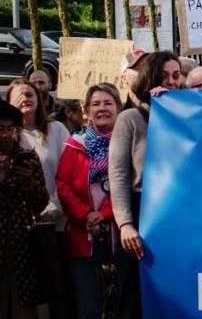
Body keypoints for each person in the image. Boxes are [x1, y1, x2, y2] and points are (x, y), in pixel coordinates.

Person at [109, 50, 181, 319]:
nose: (172, 82)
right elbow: (117, 175)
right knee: (136, 295)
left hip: (177, 213)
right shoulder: (130, 120)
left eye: (176, 75)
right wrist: (126, 224)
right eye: (164, 76)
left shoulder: (186, 116)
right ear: (150, 78)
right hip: (142, 213)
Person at [8, 78, 73, 318]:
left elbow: (69, 171)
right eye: (19, 95)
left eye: (30, 93)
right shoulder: (7, 136)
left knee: (56, 283)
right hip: (20, 224)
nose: (25, 98)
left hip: (55, 220)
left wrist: (54, 205)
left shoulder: (56, 129)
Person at [55, 83, 121, 319]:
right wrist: (86, 216)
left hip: (121, 237)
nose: (102, 108)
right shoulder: (75, 145)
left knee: (120, 304)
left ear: (118, 107)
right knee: (89, 306)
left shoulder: (128, 143)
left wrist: (104, 215)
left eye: (107, 103)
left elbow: (130, 186)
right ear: (86, 110)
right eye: (96, 104)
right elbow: (63, 184)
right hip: (84, 237)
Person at [0, 99, 49, 319]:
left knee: (23, 310)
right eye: (0, 129)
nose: (5, 135)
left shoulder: (27, 158)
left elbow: (40, 203)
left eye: (10, 129)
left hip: (21, 247)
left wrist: (29, 182)